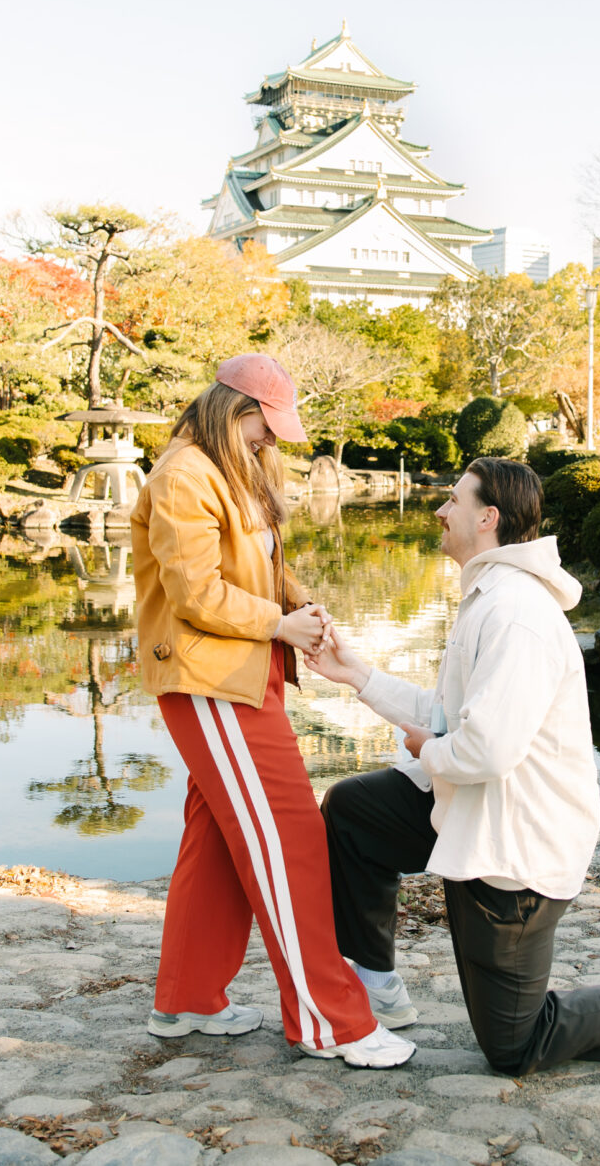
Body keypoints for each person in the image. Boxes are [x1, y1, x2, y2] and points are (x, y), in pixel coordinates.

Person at [306, 456, 600, 1078]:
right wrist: (355, 674)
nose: (441, 510)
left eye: (455, 501)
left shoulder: (514, 612)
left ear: (488, 518)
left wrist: (425, 752)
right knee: (356, 811)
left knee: (514, 1047)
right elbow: (449, 716)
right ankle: (375, 982)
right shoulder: (488, 596)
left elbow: (482, 749)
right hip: (471, 811)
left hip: (514, 846)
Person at [131, 353, 416, 1069]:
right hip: (211, 681)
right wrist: (278, 625)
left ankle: (188, 997)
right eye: (265, 424)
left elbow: (256, 567)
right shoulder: (183, 476)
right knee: (289, 840)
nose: (272, 440)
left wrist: (302, 608)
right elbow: (196, 593)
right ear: (236, 409)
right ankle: (330, 1022)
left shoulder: (231, 471)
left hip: (238, 675)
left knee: (220, 839)